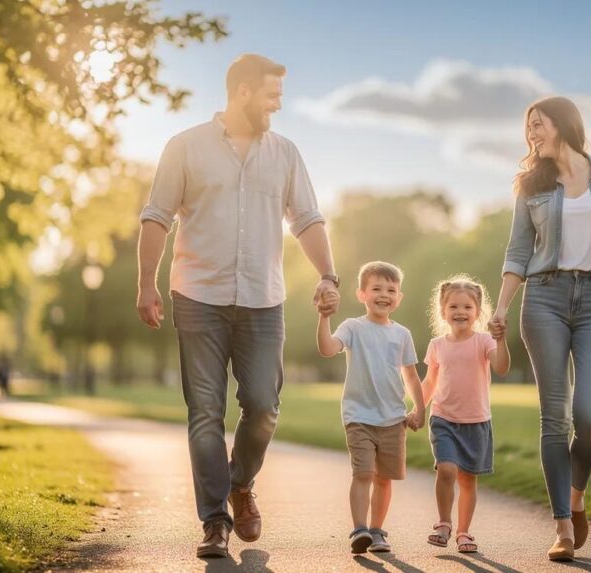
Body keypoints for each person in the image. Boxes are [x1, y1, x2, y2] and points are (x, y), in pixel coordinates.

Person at [135, 53, 341, 559]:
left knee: (264, 407)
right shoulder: (184, 147)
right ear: (243, 92)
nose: (277, 104)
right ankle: (214, 521)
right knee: (204, 412)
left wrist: (329, 274)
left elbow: (308, 219)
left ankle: (241, 483)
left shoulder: (285, 153)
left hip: (262, 300)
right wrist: (146, 282)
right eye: (271, 94)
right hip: (198, 297)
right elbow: (157, 217)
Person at [488, 96, 591, 562]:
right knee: (554, 420)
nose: (531, 135)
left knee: (590, 420)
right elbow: (517, 251)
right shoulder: (530, 185)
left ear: (563, 124)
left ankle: (576, 495)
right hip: (544, 300)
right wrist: (501, 306)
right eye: (528, 128)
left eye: (538, 125)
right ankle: (562, 525)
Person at [316, 261, 425, 555]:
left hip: (393, 418)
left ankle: (377, 530)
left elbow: (411, 375)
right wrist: (324, 318)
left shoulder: (402, 334)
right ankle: (359, 529)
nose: (384, 294)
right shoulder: (353, 327)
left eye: (391, 289)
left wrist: (419, 408)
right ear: (362, 294)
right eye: (376, 288)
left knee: (384, 478)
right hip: (359, 417)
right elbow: (327, 348)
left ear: (399, 298)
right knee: (363, 473)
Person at [419, 275, 509, 554]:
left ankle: (463, 532)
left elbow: (502, 367)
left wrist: (501, 340)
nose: (460, 312)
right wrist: (417, 409)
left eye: (467, 307)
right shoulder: (437, 345)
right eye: (454, 307)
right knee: (446, 470)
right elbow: (430, 382)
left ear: (478, 312)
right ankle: (444, 523)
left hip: (476, 421)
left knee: (468, 480)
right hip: (443, 418)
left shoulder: (484, 342)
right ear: (443, 312)